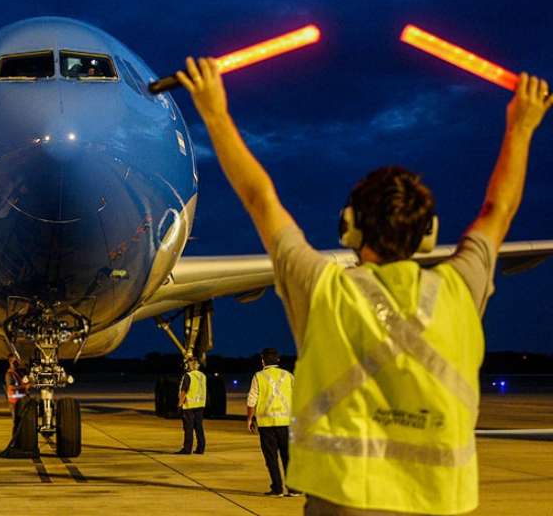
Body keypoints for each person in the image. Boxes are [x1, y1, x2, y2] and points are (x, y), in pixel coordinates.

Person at [177, 59, 552, 515]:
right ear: (430, 233)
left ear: (348, 227)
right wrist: (522, 125)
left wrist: (214, 113)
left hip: (343, 503)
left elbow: (261, 198)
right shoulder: (457, 290)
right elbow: (499, 210)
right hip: (436, 504)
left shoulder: (324, 290)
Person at [247, 348, 300, 497]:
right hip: (286, 423)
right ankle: (293, 488)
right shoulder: (288, 376)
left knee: (271, 458)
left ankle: (277, 488)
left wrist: (250, 419)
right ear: (278, 360)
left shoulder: (258, 376)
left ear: (263, 360)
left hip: (266, 424)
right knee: (288, 456)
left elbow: (252, 400)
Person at [176, 357, 206, 454]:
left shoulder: (188, 376)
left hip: (189, 406)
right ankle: (201, 448)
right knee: (199, 427)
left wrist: (180, 404)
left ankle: (187, 449)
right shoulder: (202, 376)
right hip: (200, 405)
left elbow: (184, 391)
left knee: (188, 428)